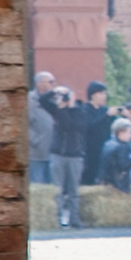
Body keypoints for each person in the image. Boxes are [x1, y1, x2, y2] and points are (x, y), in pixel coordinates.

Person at [48, 86, 88, 228]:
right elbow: (43, 101)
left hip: (74, 155)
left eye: (67, 96)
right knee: (57, 189)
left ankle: (74, 219)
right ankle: (56, 219)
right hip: (58, 154)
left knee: (73, 190)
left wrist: (66, 108)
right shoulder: (56, 109)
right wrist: (55, 92)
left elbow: (70, 126)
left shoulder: (80, 112)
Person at [79, 80, 113, 184]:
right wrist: (106, 116)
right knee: (89, 176)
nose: (104, 96)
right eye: (101, 93)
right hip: (90, 150)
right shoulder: (85, 109)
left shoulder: (104, 110)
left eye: (105, 94)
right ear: (93, 95)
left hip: (104, 148)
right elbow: (89, 126)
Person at [27, 71, 55, 185]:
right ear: (40, 84)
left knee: (52, 186)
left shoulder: (54, 99)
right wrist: (36, 140)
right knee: (37, 186)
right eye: (50, 82)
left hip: (54, 152)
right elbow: (23, 124)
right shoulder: (29, 100)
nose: (53, 84)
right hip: (36, 154)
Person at [99, 118, 131, 191]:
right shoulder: (121, 147)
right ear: (121, 132)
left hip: (105, 182)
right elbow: (123, 166)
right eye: (129, 132)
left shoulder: (108, 143)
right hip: (117, 184)